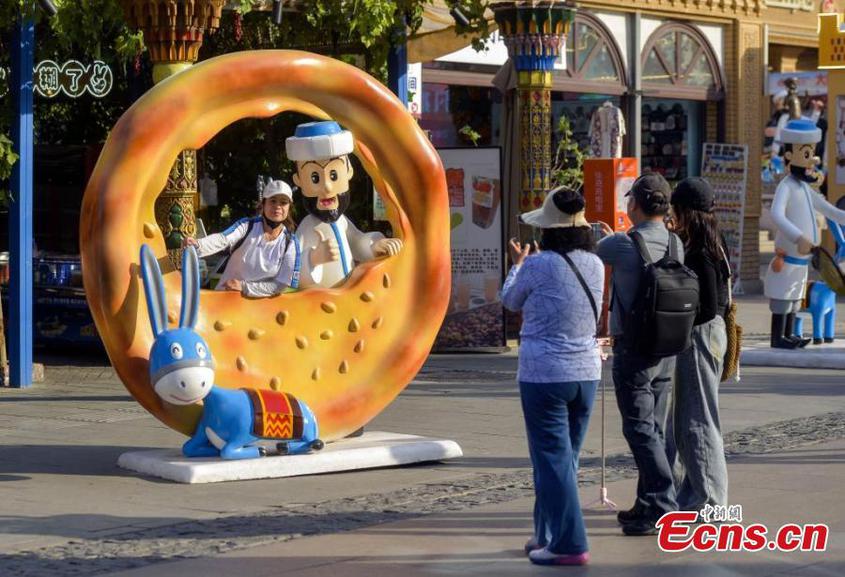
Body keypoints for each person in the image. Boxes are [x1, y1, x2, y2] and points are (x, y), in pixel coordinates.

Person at [502, 186, 604, 566]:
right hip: (586, 373)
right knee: (564, 459)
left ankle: (569, 542)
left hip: (544, 374)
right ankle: (544, 532)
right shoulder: (594, 263)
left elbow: (510, 300)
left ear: (548, 230)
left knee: (551, 459)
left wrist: (517, 265)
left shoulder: (538, 264)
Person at [596, 173, 682, 536]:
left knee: (639, 428)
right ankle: (647, 503)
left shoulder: (623, 243)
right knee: (655, 427)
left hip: (634, 346)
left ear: (634, 205)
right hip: (667, 344)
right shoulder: (676, 242)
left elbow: (598, 250)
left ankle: (663, 501)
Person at [669, 177, 730, 511]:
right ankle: (692, 495)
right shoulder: (708, 240)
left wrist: (680, 321)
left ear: (686, 211)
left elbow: (707, 306)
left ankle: (710, 501)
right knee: (687, 420)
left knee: (698, 420)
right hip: (708, 334)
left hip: (702, 336)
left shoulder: (702, 250)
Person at [285, 120, 403, 288]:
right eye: (315, 178)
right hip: (319, 302)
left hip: (348, 297)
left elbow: (356, 241)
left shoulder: (342, 222)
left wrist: (374, 246)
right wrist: (314, 258)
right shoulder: (307, 227)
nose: (326, 187)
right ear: (299, 181)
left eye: (334, 175)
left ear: (348, 172)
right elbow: (291, 265)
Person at [765, 118, 845, 348]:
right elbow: (776, 214)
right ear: (790, 156)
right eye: (807, 154)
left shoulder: (804, 188)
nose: (812, 161)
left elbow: (829, 210)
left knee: (793, 299)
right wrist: (798, 237)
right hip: (788, 256)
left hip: (802, 261)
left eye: (812, 154)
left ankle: (789, 335)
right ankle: (778, 337)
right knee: (782, 299)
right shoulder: (786, 186)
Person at [182, 180, 300, 297]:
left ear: (289, 207)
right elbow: (223, 239)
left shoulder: (291, 243)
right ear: (263, 204)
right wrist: (198, 245)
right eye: (273, 201)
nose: (277, 207)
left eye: (283, 203)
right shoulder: (246, 226)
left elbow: (281, 284)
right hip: (226, 301)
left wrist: (244, 287)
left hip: (262, 311)